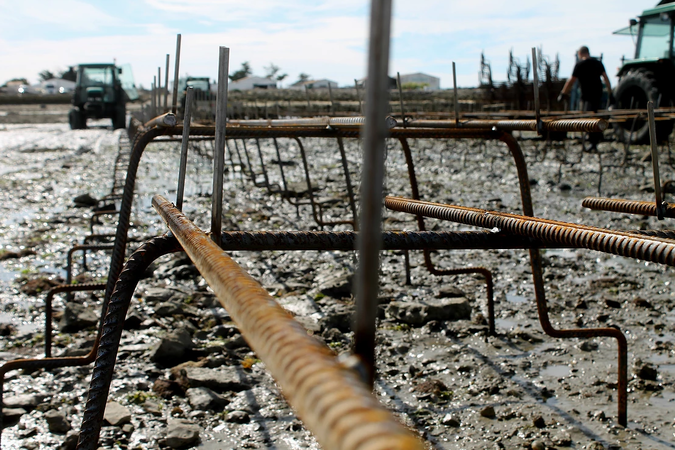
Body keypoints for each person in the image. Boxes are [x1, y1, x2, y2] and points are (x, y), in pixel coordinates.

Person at [558, 46, 612, 149]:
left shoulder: (579, 65)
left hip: (586, 96)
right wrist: (610, 93)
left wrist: (563, 93)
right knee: (596, 116)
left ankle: (593, 142)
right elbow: (606, 78)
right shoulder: (598, 63)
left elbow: (571, 81)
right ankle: (594, 139)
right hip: (598, 95)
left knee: (588, 119)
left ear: (580, 54)